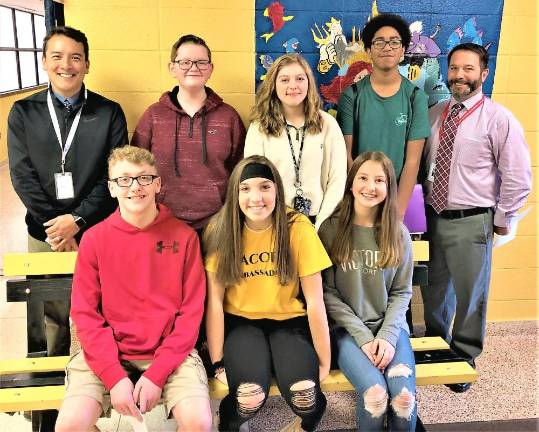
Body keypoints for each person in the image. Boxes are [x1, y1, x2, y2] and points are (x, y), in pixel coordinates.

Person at [55, 146, 211, 431]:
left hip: (171, 352)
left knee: (199, 422)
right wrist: (113, 376)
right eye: (124, 180)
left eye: (144, 178)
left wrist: (158, 373)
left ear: (158, 184)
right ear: (112, 188)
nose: (135, 187)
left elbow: (191, 314)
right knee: (69, 426)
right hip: (106, 351)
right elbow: (85, 315)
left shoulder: (185, 237)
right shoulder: (94, 240)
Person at [7, 26, 128, 356]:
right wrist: (58, 228)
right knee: (54, 314)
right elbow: (22, 176)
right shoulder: (23, 112)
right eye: (57, 56)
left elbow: (114, 176)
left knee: (107, 310)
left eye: (75, 57)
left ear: (87, 64)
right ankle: (52, 385)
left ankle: (105, 380)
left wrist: (77, 219)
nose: (66, 65)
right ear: (44, 62)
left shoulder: (108, 112)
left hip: (98, 228)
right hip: (45, 232)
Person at [421, 43, 532, 392]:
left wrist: (502, 219)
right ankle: (436, 344)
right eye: (454, 68)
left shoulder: (499, 119)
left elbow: (518, 177)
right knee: (433, 289)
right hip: (430, 217)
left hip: (473, 220)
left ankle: (464, 352)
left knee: (471, 293)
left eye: (468, 69)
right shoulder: (434, 113)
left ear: (483, 74)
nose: (460, 76)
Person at [204, 155, 331, 431]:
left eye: (265, 187)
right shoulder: (221, 229)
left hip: (289, 323)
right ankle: (228, 424)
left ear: (277, 190)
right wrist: (216, 362)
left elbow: (314, 300)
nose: (256, 197)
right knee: (248, 399)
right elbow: (214, 302)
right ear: (235, 191)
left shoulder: (297, 227)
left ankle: (304, 427)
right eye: (246, 188)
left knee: (307, 399)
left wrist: (324, 357)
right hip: (241, 324)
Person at [319, 151, 416, 430]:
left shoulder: (398, 233)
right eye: (362, 178)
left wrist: (386, 337)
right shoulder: (330, 230)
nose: (370, 187)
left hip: (391, 331)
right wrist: (363, 337)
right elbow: (328, 294)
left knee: (403, 399)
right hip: (348, 333)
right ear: (351, 183)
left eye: (379, 180)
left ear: (389, 188)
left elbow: (402, 293)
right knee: (375, 396)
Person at [132, 34, 246, 234]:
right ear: (172, 68)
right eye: (185, 62)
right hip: (161, 223)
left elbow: (240, 171)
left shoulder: (229, 117)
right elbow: (136, 171)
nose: (193, 68)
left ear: (210, 69)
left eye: (201, 62)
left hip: (217, 226)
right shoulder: (153, 116)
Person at [337, 14, 431, 218]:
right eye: (379, 42)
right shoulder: (351, 96)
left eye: (394, 42)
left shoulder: (416, 98)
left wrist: (397, 214)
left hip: (395, 201)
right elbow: (346, 155)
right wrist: (363, 200)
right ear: (368, 50)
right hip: (357, 200)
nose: (387, 47)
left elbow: (412, 162)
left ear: (403, 50)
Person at [245, 53, 347, 230]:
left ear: (308, 83)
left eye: (300, 78)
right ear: (273, 85)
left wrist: (321, 224)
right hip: (275, 223)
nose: (293, 86)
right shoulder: (259, 128)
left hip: (318, 221)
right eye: (284, 80)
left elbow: (337, 179)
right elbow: (255, 181)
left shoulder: (327, 124)